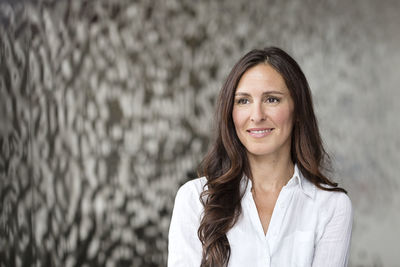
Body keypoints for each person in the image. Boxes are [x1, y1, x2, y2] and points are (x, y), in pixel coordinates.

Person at [168, 47, 353, 267]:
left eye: (272, 100)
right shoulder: (194, 200)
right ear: (231, 113)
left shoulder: (332, 206)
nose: (256, 116)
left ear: (298, 111)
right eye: (243, 101)